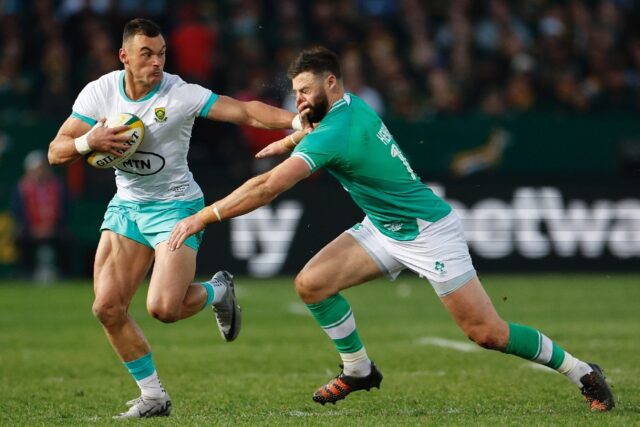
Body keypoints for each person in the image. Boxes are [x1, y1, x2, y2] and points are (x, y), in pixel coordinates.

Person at [168, 46, 615, 412]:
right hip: (383, 228)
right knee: (312, 285)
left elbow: (267, 187)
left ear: (330, 82)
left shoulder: (335, 131)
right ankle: (359, 369)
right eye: (295, 94)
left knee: (487, 334)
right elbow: (320, 129)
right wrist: (288, 137)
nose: (299, 101)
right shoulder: (350, 105)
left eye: (304, 91)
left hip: (427, 231)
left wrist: (201, 217)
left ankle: (582, 371)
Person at [47, 18, 306, 419]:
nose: (156, 62)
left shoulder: (179, 93)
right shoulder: (100, 92)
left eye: (162, 53)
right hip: (128, 207)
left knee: (165, 308)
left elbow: (244, 112)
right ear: (124, 57)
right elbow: (56, 151)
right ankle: (153, 397)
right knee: (107, 308)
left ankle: (219, 291)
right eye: (146, 54)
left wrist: (294, 121)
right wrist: (88, 141)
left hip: (175, 208)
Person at [11, 150, 70, 282]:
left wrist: (53, 226)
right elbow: (18, 212)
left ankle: (65, 274)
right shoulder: (21, 188)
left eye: (42, 168)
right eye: (37, 169)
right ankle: (26, 274)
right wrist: (32, 228)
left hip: (54, 228)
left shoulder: (58, 186)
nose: (40, 172)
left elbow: (64, 210)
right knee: (19, 239)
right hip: (30, 230)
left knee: (67, 239)